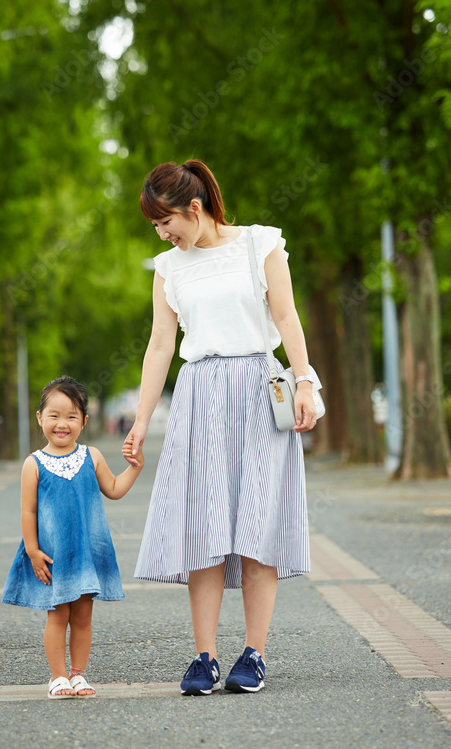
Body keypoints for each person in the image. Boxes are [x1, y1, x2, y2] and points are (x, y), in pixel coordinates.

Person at [123, 160, 319, 696]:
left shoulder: (260, 244)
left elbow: (286, 317)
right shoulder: (169, 268)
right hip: (199, 394)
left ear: (195, 207)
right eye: (155, 226)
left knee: (256, 526)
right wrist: (141, 420)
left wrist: (304, 380)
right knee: (204, 529)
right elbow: (160, 345)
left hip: (260, 387)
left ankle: (254, 654)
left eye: (166, 222)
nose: (162, 234)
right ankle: (204, 657)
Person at [2, 375, 144, 698]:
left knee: (82, 616)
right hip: (52, 554)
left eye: (71, 416)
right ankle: (57, 677)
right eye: (54, 415)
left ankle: (79, 674)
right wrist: (32, 551)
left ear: (84, 421)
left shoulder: (92, 456)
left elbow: (114, 489)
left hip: (86, 553)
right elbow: (28, 512)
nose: (62, 424)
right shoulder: (33, 464)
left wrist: (135, 467)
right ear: (40, 418)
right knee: (58, 615)